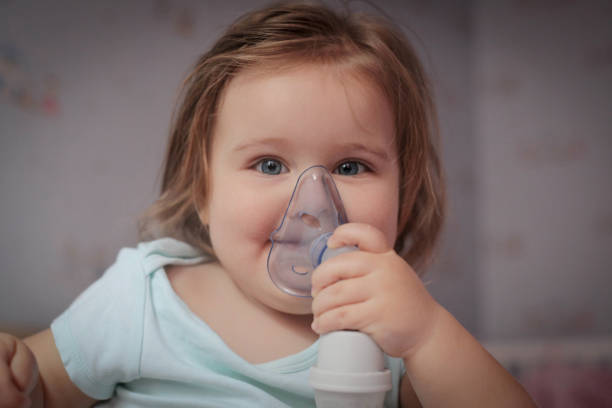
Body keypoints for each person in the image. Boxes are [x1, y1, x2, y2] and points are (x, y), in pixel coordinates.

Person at [0, 1, 536, 407]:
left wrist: (426, 334)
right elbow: (40, 388)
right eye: (269, 165)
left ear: (406, 194)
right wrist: (18, 380)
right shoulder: (142, 300)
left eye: (351, 167)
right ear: (203, 191)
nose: (311, 205)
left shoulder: (394, 333)